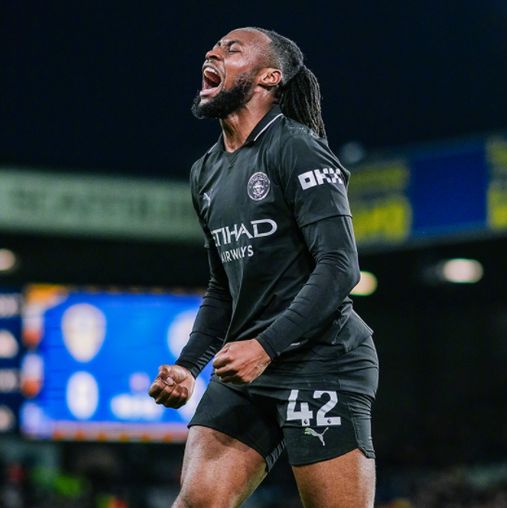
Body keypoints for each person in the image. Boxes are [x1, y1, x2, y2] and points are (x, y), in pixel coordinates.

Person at [149, 27, 379, 508]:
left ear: (269, 78)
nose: (213, 51)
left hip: (320, 360)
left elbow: (340, 266)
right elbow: (223, 289)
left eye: (232, 49)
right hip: (246, 369)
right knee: (197, 502)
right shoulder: (205, 171)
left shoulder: (296, 147)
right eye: (214, 46)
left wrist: (266, 347)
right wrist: (189, 367)